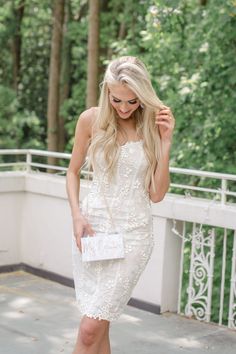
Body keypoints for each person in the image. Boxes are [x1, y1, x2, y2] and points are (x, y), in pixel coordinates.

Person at [66, 56, 175, 354]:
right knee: (100, 328)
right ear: (107, 92)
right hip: (92, 230)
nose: (125, 108)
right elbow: (73, 171)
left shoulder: (152, 126)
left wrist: (165, 144)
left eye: (132, 101)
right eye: (117, 100)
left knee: (90, 330)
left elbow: (157, 194)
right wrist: (77, 216)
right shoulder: (91, 119)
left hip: (133, 235)